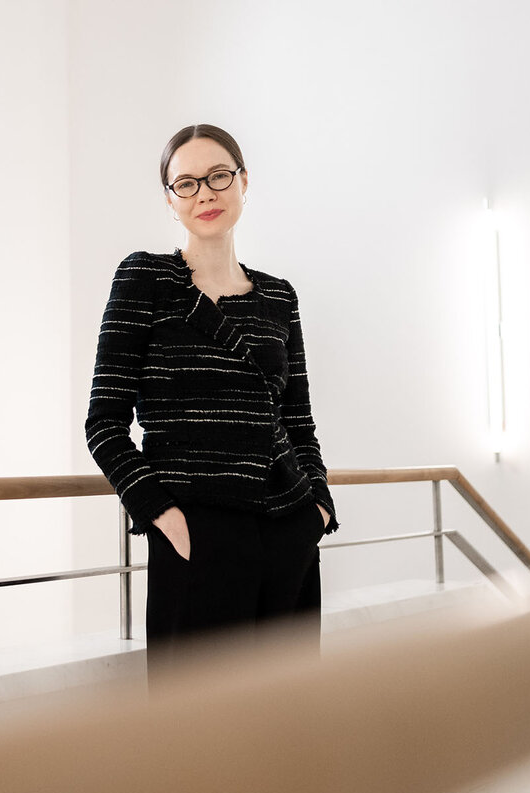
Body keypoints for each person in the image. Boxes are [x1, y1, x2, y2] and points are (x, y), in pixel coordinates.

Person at [85, 123, 338, 675]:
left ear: (244, 182)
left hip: (289, 526)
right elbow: (104, 423)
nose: (205, 193)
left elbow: (298, 420)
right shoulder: (144, 279)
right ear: (170, 201)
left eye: (219, 176)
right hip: (197, 534)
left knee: (290, 721)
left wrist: (318, 507)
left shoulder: (278, 296)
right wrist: (160, 512)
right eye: (187, 183)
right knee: (196, 733)